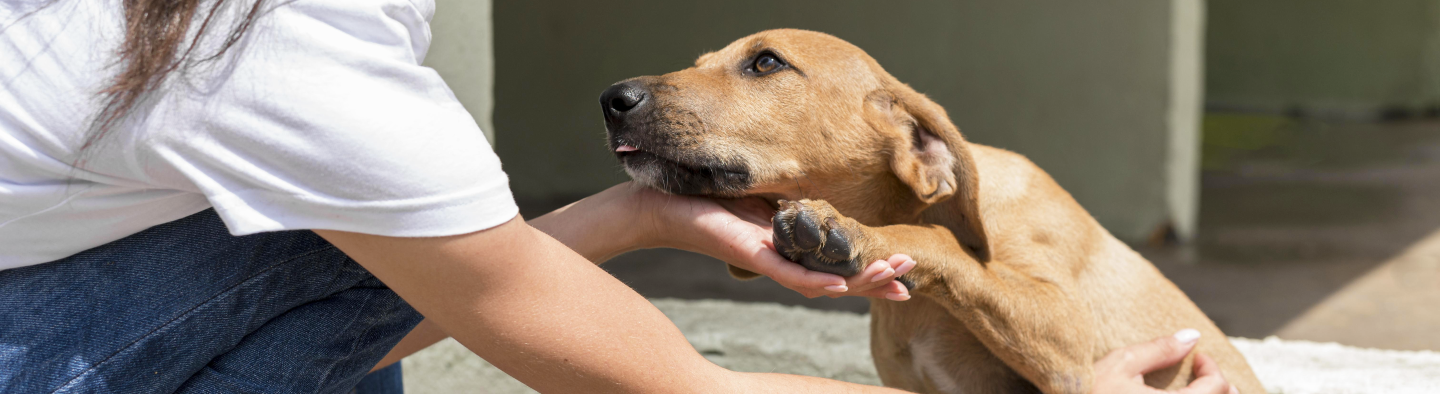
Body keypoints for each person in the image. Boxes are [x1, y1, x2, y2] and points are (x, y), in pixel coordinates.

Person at [0, 0, 1234, 393]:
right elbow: (665, 379)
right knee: (354, 250)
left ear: (916, 145)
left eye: (755, 66)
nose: (667, 89)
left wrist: (645, 212)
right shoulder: (285, 65)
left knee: (363, 258)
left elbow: (440, 280)